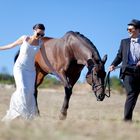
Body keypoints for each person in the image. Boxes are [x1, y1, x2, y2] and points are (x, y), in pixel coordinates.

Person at [0, 23, 45, 121]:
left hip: (31, 71)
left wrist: (55, 71)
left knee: (29, 92)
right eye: (38, 34)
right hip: (19, 67)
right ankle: (17, 113)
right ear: (34, 30)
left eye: (42, 35)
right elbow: (11, 45)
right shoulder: (25, 38)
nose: (40, 37)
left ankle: (27, 117)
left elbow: (46, 60)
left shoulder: (41, 43)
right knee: (22, 89)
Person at [109, 19, 140, 121]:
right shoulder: (124, 42)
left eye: (131, 29)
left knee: (134, 96)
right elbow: (119, 56)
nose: (128, 31)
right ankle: (126, 121)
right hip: (128, 72)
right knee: (131, 94)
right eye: (128, 29)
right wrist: (113, 64)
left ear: (138, 30)